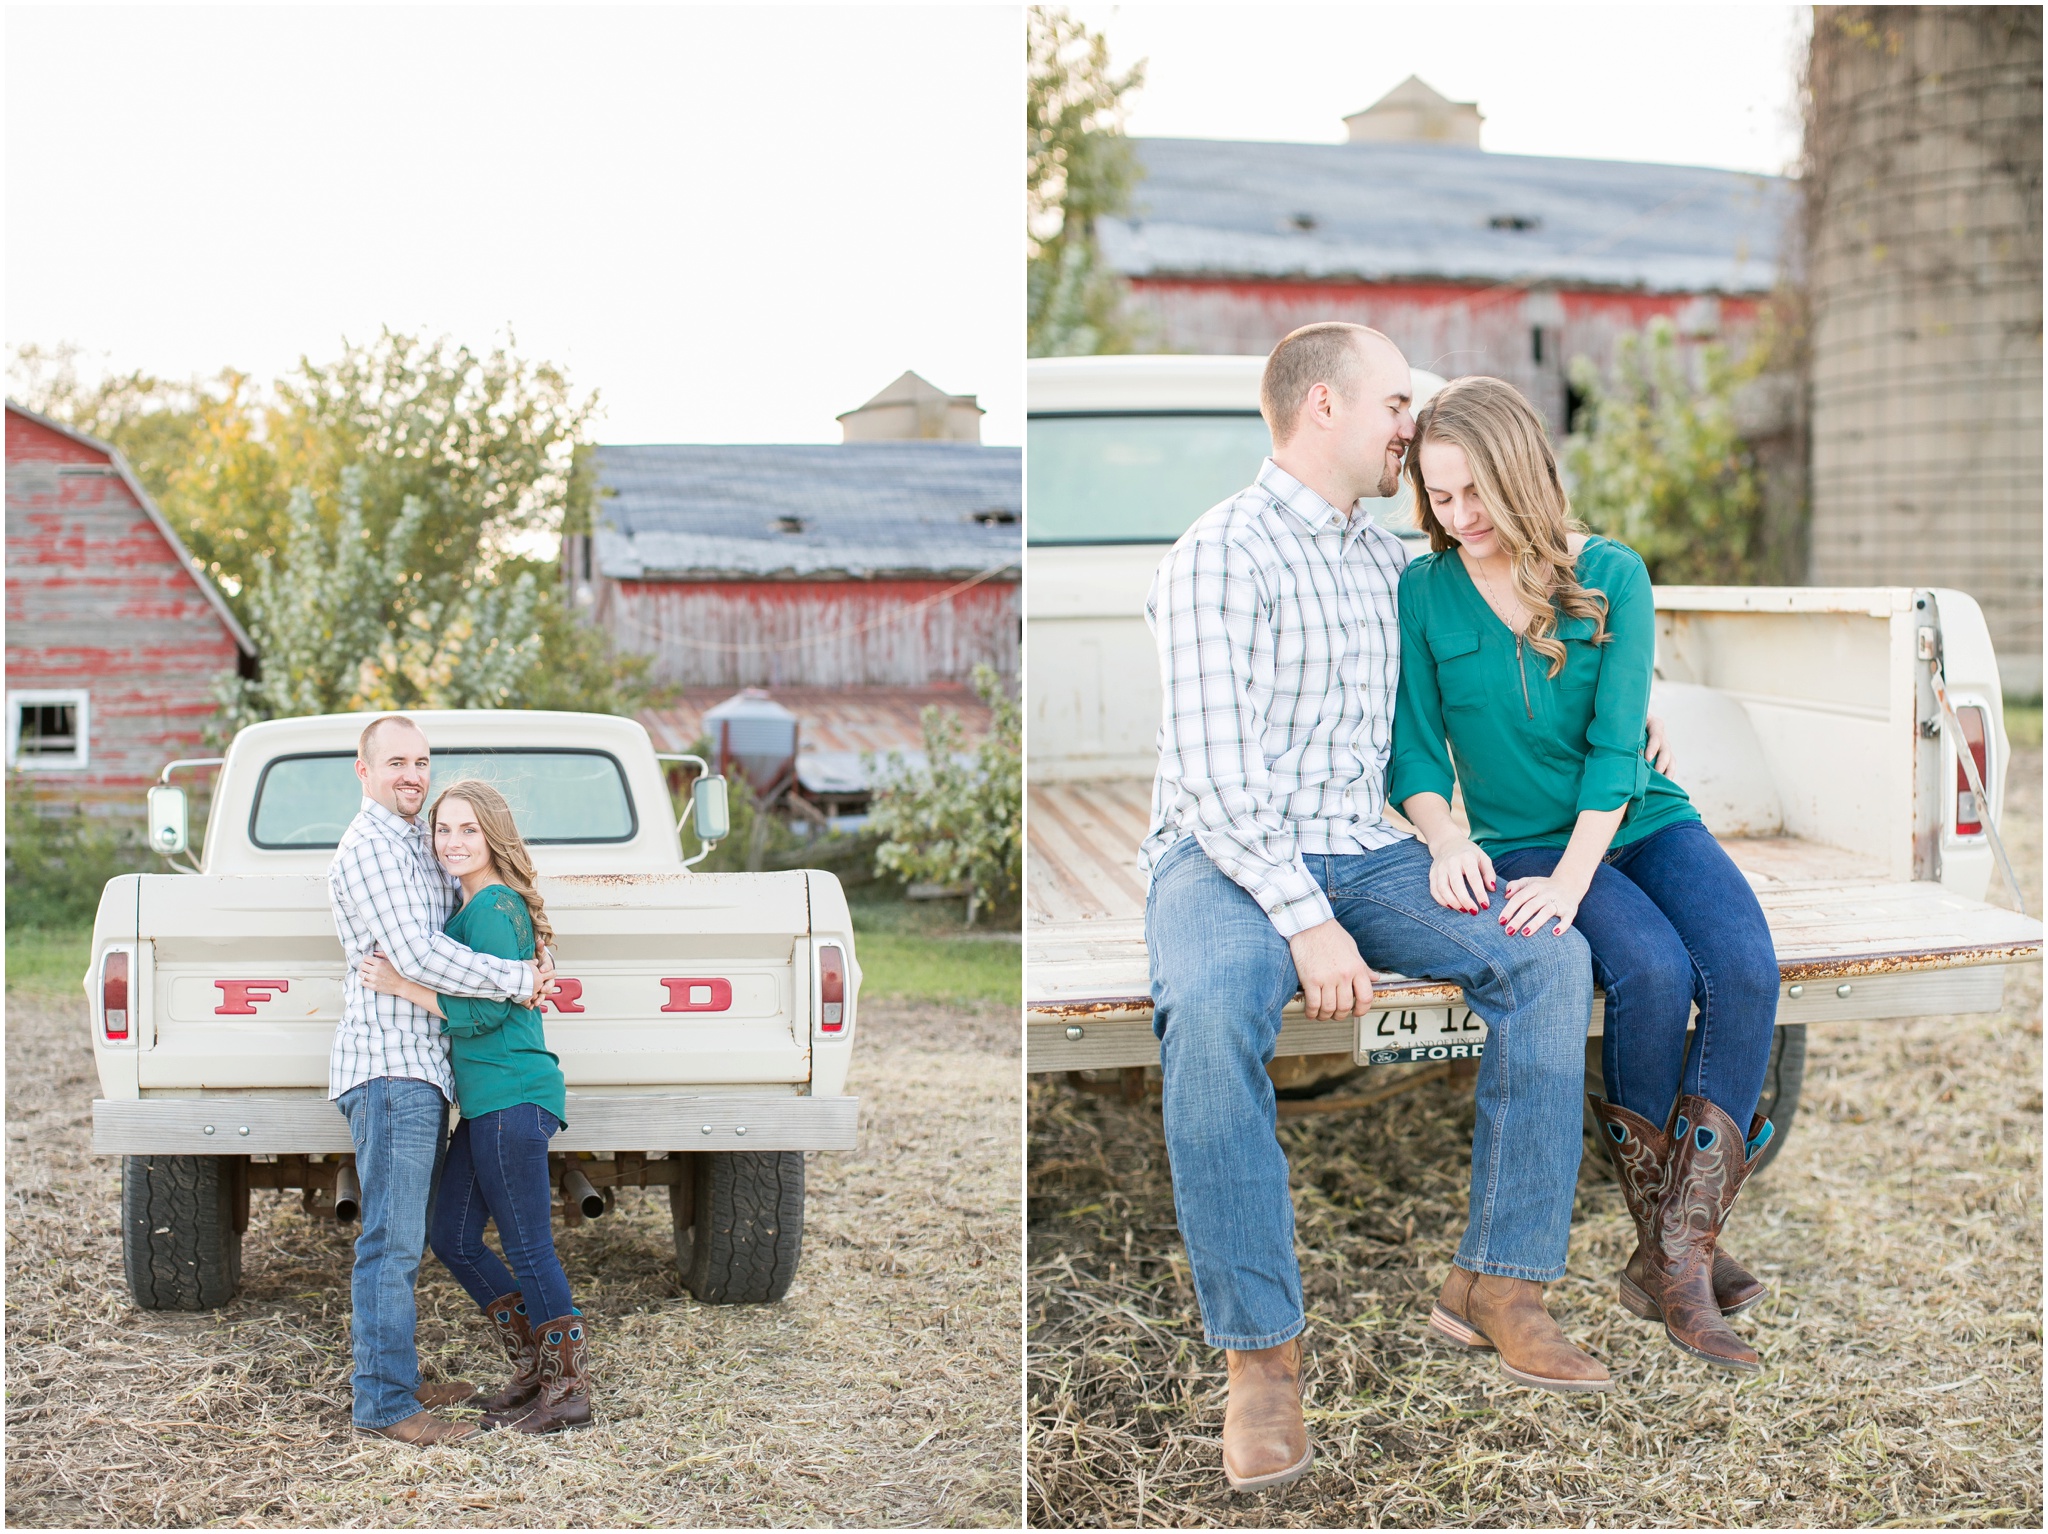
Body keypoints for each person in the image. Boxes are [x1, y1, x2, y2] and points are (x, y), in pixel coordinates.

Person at [1143, 323, 1663, 1493]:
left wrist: (1637, 707)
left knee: (1544, 956)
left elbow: (1532, 632)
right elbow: (1219, 784)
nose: (1408, 426)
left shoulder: (1395, 565)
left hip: (1370, 851)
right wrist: (1302, 921)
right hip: (1225, 858)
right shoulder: (1216, 554)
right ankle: (1262, 1359)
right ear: (1321, 405)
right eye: (1393, 404)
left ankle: (1497, 1280)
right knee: (1214, 1010)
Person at [1390, 375, 1780, 1373]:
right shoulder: (1423, 590)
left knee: (1741, 964)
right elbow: (1413, 758)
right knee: (1646, 971)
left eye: (1476, 491)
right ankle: (1675, 1263)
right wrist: (1444, 839)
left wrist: (1574, 880)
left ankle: (1670, 1254)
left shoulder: (1612, 572)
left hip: (1635, 818)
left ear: (1523, 473)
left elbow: (1616, 751)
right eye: (1439, 496)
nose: (1460, 517)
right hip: (1521, 839)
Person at [327, 716, 553, 1445]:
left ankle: (398, 1375)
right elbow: (420, 954)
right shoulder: (369, 849)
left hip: (426, 1068)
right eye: (396, 762)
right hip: (390, 1066)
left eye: (421, 761)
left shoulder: (413, 844)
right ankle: (386, 1404)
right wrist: (519, 978)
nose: (412, 775)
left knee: (411, 1234)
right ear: (363, 770)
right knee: (391, 1240)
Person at [360, 779, 593, 1434]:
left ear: (493, 836)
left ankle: (567, 1390)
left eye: (468, 829)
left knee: (526, 1243)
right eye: (443, 830)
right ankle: (532, 1369)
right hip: (488, 1101)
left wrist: (401, 985)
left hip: (513, 1094)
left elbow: (489, 1011)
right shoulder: (471, 909)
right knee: (453, 1235)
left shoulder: (492, 906)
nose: (453, 842)